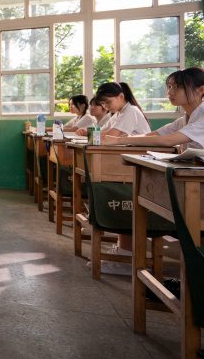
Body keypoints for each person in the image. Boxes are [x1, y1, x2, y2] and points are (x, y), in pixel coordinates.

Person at [77, 81, 151, 275]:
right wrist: (91, 132)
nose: (107, 107)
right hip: (122, 163)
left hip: (134, 165)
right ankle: (122, 247)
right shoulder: (118, 113)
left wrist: (94, 133)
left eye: (108, 102)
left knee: (122, 201)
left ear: (121, 96)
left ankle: (127, 255)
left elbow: (113, 135)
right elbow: (104, 133)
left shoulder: (131, 111)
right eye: (104, 104)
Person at [101, 68, 204, 150]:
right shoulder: (183, 121)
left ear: (201, 90)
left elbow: (168, 140)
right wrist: (128, 138)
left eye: (177, 87)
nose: (170, 92)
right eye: (169, 87)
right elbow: (151, 135)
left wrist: (119, 141)